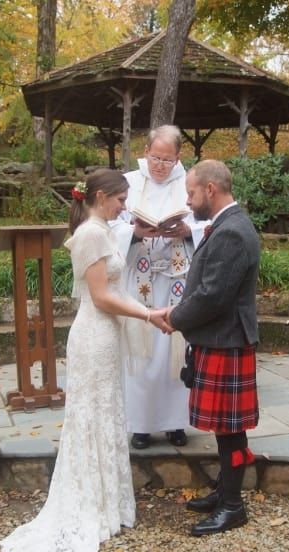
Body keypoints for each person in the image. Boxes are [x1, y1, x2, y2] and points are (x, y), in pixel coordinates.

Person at [0, 168, 169, 552]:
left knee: (106, 414)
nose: (125, 206)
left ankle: (107, 502)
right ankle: (90, 504)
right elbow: (102, 297)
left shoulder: (104, 229)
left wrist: (150, 313)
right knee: (90, 417)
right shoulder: (91, 234)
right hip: (93, 337)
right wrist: (148, 313)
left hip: (105, 336)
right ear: (99, 196)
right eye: (120, 199)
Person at [166, 159, 260, 536]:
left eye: (190, 193)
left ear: (210, 189)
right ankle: (225, 491)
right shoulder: (226, 225)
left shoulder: (232, 231)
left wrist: (172, 318)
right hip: (220, 338)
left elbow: (212, 297)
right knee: (226, 427)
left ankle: (233, 506)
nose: (188, 201)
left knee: (230, 429)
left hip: (226, 340)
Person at [111, 125, 206, 450]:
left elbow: (208, 221)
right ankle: (141, 425)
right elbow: (112, 223)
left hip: (177, 279)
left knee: (174, 352)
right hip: (140, 281)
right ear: (146, 151)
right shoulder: (129, 182)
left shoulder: (190, 182)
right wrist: (136, 233)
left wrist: (186, 230)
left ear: (178, 157)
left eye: (167, 159)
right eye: (155, 157)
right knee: (142, 351)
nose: (160, 165)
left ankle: (176, 424)